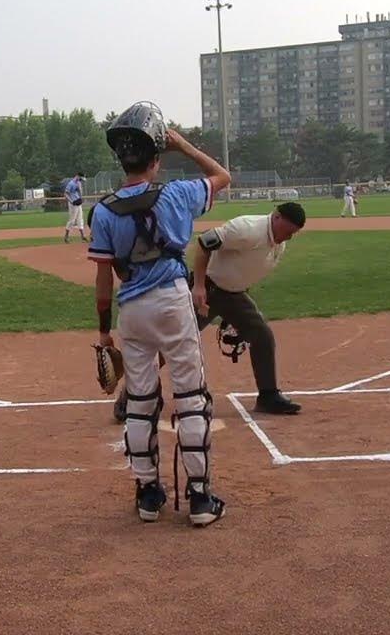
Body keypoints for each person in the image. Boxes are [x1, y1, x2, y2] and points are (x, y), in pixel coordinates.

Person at [87, 101, 231, 527]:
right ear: (156, 156)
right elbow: (223, 177)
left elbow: (102, 282)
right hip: (171, 300)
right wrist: (184, 145)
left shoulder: (105, 210)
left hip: (131, 309)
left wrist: (103, 332)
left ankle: (149, 494)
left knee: (141, 401)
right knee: (189, 396)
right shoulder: (177, 194)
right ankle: (201, 499)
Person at [112, 203, 305, 419]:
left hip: (234, 296)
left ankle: (268, 396)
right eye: (288, 231)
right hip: (209, 291)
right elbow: (205, 242)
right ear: (277, 217)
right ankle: (130, 396)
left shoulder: (277, 242)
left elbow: (246, 268)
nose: (288, 237)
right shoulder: (247, 228)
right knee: (173, 344)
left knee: (262, 335)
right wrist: (199, 286)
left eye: (293, 234)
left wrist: (235, 314)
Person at [63, 172, 88, 243]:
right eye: (80, 178)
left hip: (78, 202)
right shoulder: (71, 183)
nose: (81, 180)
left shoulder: (78, 183)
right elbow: (65, 194)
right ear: (77, 176)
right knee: (72, 220)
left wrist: (80, 198)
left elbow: (79, 192)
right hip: (73, 204)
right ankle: (66, 236)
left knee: (80, 219)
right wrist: (71, 201)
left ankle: (83, 236)